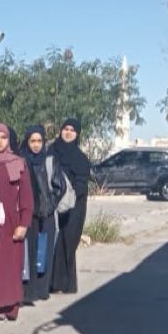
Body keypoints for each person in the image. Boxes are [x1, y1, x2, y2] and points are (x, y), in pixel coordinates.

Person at [0, 123, 33, 321]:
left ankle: (9, 306)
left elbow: (26, 197)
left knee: (10, 266)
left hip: (12, 223)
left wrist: (24, 223)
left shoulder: (18, 163)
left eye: (3, 137)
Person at [21, 125, 64, 303]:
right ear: (27, 142)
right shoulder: (22, 161)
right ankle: (28, 291)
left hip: (46, 214)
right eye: (33, 141)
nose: (36, 145)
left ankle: (42, 289)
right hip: (29, 214)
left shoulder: (50, 160)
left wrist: (49, 205)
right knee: (29, 252)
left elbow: (60, 186)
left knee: (45, 251)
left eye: (39, 141)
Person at [49, 118, 92, 294]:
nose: (68, 132)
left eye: (72, 130)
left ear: (77, 134)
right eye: (65, 129)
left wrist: (67, 197)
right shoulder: (51, 151)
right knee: (52, 242)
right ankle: (49, 283)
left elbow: (81, 184)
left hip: (73, 207)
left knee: (67, 242)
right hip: (51, 204)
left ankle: (64, 283)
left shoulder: (81, 159)